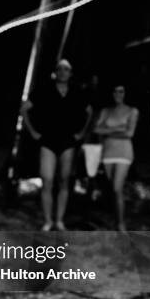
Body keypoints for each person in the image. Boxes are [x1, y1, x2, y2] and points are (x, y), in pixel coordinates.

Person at [22, 59, 92, 231]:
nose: (63, 72)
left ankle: (59, 220)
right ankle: (48, 220)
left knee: (64, 180)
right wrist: (32, 131)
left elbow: (90, 112)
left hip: (68, 141)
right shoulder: (44, 89)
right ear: (56, 72)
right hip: (48, 140)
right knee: (47, 180)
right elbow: (24, 108)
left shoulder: (77, 91)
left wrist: (82, 133)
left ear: (70, 73)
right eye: (60, 69)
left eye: (66, 69)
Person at [94, 84, 139, 231]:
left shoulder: (132, 111)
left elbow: (129, 133)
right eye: (115, 91)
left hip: (123, 152)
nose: (117, 93)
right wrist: (118, 129)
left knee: (117, 187)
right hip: (108, 152)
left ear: (125, 93)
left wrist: (107, 131)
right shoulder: (106, 111)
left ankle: (121, 224)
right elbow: (96, 129)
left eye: (121, 91)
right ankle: (115, 218)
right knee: (112, 188)